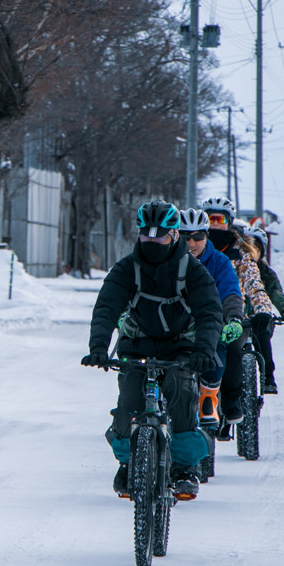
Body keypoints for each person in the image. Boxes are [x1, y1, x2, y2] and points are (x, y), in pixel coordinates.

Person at [82, 200, 223, 501]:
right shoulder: (127, 268)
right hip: (137, 345)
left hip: (181, 347)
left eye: (160, 236)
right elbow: (107, 307)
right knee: (128, 404)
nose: (153, 241)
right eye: (146, 235)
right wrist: (98, 346)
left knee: (183, 395)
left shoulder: (192, 270)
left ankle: (185, 467)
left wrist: (204, 349)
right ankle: (127, 462)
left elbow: (210, 312)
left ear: (174, 235)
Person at [200, 196, 278, 423]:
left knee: (233, 346)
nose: (214, 223)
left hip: (232, 316)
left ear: (229, 221)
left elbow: (255, 286)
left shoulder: (241, 253)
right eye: (209, 218)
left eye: (219, 218)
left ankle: (231, 399)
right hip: (198, 316)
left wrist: (264, 310)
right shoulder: (192, 246)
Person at [176, 208, 245, 427]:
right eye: (186, 237)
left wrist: (234, 318)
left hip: (207, 322)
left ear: (207, 236)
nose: (192, 243)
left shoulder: (220, 261)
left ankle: (208, 396)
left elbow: (231, 292)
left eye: (198, 237)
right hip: (172, 323)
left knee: (218, 347)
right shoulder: (167, 258)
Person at [242, 225, 284, 393]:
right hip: (236, 317)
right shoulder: (234, 267)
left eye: (256, 249)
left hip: (259, 318)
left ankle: (268, 377)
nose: (251, 252)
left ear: (262, 252)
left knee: (262, 335)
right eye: (247, 248)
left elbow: (275, 292)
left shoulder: (266, 273)